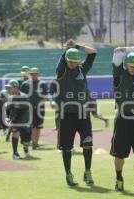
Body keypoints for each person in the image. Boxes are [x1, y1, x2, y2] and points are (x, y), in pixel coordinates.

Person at [55, 39, 96, 186]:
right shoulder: (61, 71)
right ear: (66, 60)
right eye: (70, 61)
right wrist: (68, 49)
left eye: (74, 61)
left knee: (87, 144)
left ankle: (88, 171)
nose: (72, 64)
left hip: (83, 114)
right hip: (67, 115)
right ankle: (69, 174)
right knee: (67, 147)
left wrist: (77, 46)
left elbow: (93, 52)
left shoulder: (82, 69)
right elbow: (63, 60)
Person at [110, 47, 134, 194]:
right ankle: (119, 178)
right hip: (123, 119)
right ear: (126, 64)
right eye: (132, 66)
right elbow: (116, 55)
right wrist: (122, 51)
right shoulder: (118, 74)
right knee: (119, 154)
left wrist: (128, 48)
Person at [21, 67, 47, 149]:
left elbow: (45, 96)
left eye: (35, 74)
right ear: (30, 74)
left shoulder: (42, 84)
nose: (34, 75)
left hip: (40, 109)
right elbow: (22, 96)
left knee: (38, 126)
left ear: (38, 74)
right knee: (32, 126)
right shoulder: (25, 84)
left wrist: (40, 103)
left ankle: (36, 142)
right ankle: (34, 142)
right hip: (29, 109)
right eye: (32, 74)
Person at [5, 80, 32, 159]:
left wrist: (13, 119)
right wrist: (7, 117)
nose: (8, 90)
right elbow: (8, 109)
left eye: (10, 88)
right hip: (15, 120)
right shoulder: (10, 97)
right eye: (8, 88)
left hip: (24, 120)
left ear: (15, 88)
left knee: (26, 139)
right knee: (15, 133)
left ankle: (26, 149)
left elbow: (24, 109)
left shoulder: (23, 97)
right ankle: (15, 153)